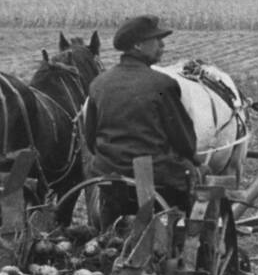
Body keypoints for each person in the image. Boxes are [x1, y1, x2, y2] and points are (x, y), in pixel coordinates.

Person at [83, 14, 201, 220]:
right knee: (196, 173)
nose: (162, 45)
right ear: (138, 45)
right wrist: (192, 162)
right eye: (157, 40)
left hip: (108, 177)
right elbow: (184, 141)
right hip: (158, 179)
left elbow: (90, 139)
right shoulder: (162, 84)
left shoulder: (99, 83)